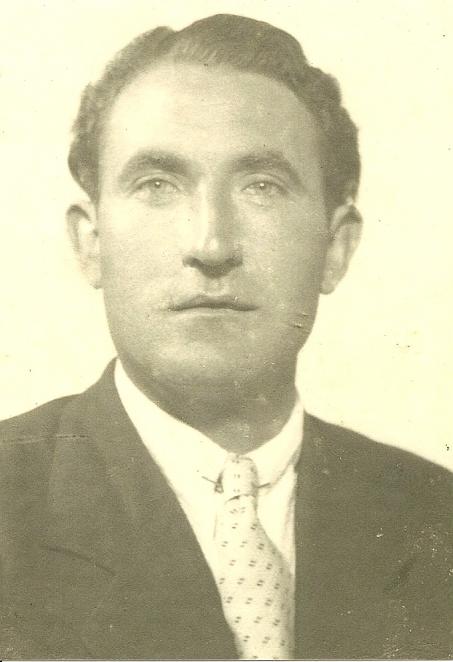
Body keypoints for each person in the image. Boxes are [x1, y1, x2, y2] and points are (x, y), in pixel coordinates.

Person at [0, 13, 452, 661]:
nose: (211, 245)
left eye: (262, 187)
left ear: (335, 247)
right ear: (90, 241)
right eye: (157, 185)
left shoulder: (436, 516)